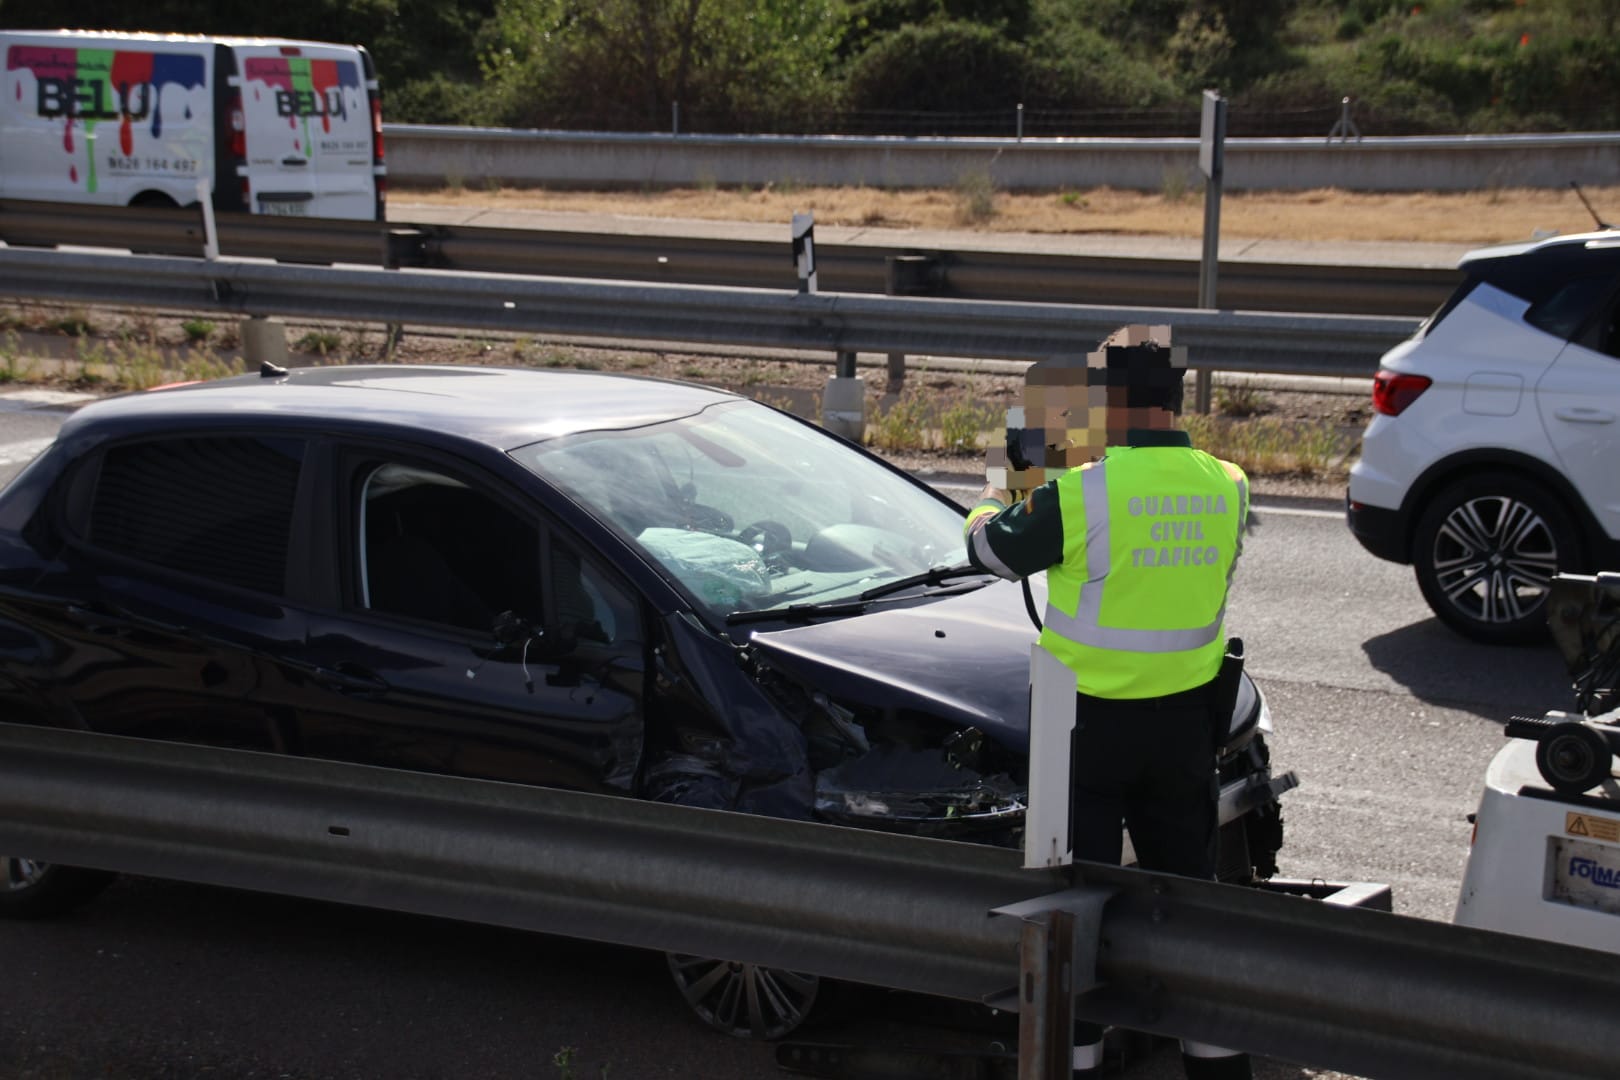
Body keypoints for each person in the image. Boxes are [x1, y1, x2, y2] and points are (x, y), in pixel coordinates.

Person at [963, 328, 1252, 1080]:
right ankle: (1216, 1063)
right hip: (1187, 727)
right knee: (1188, 910)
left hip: (1080, 730)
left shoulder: (1080, 492)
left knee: (1073, 915)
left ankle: (1076, 1063)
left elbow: (992, 553)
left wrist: (1000, 489)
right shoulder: (1229, 481)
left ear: (1114, 402)